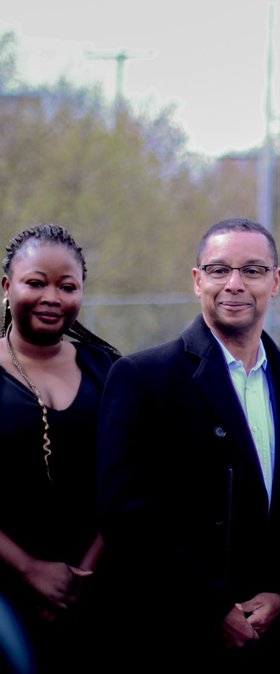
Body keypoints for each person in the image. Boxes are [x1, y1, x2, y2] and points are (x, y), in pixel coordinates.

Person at [96, 217, 280, 673]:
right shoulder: (143, 378)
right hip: (172, 636)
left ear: (275, 281)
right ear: (197, 279)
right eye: (219, 270)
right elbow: (125, 515)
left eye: (253, 270)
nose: (234, 284)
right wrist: (212, 607)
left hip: (268, 641)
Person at [0, 224, 120, 673]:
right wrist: (30, 569)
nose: (52, 296)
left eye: (67, 286)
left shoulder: (109, 370)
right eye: (36, 282)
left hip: (100, 587)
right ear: (8, 286)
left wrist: (82, 576)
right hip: (7, 590)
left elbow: (130, 480)